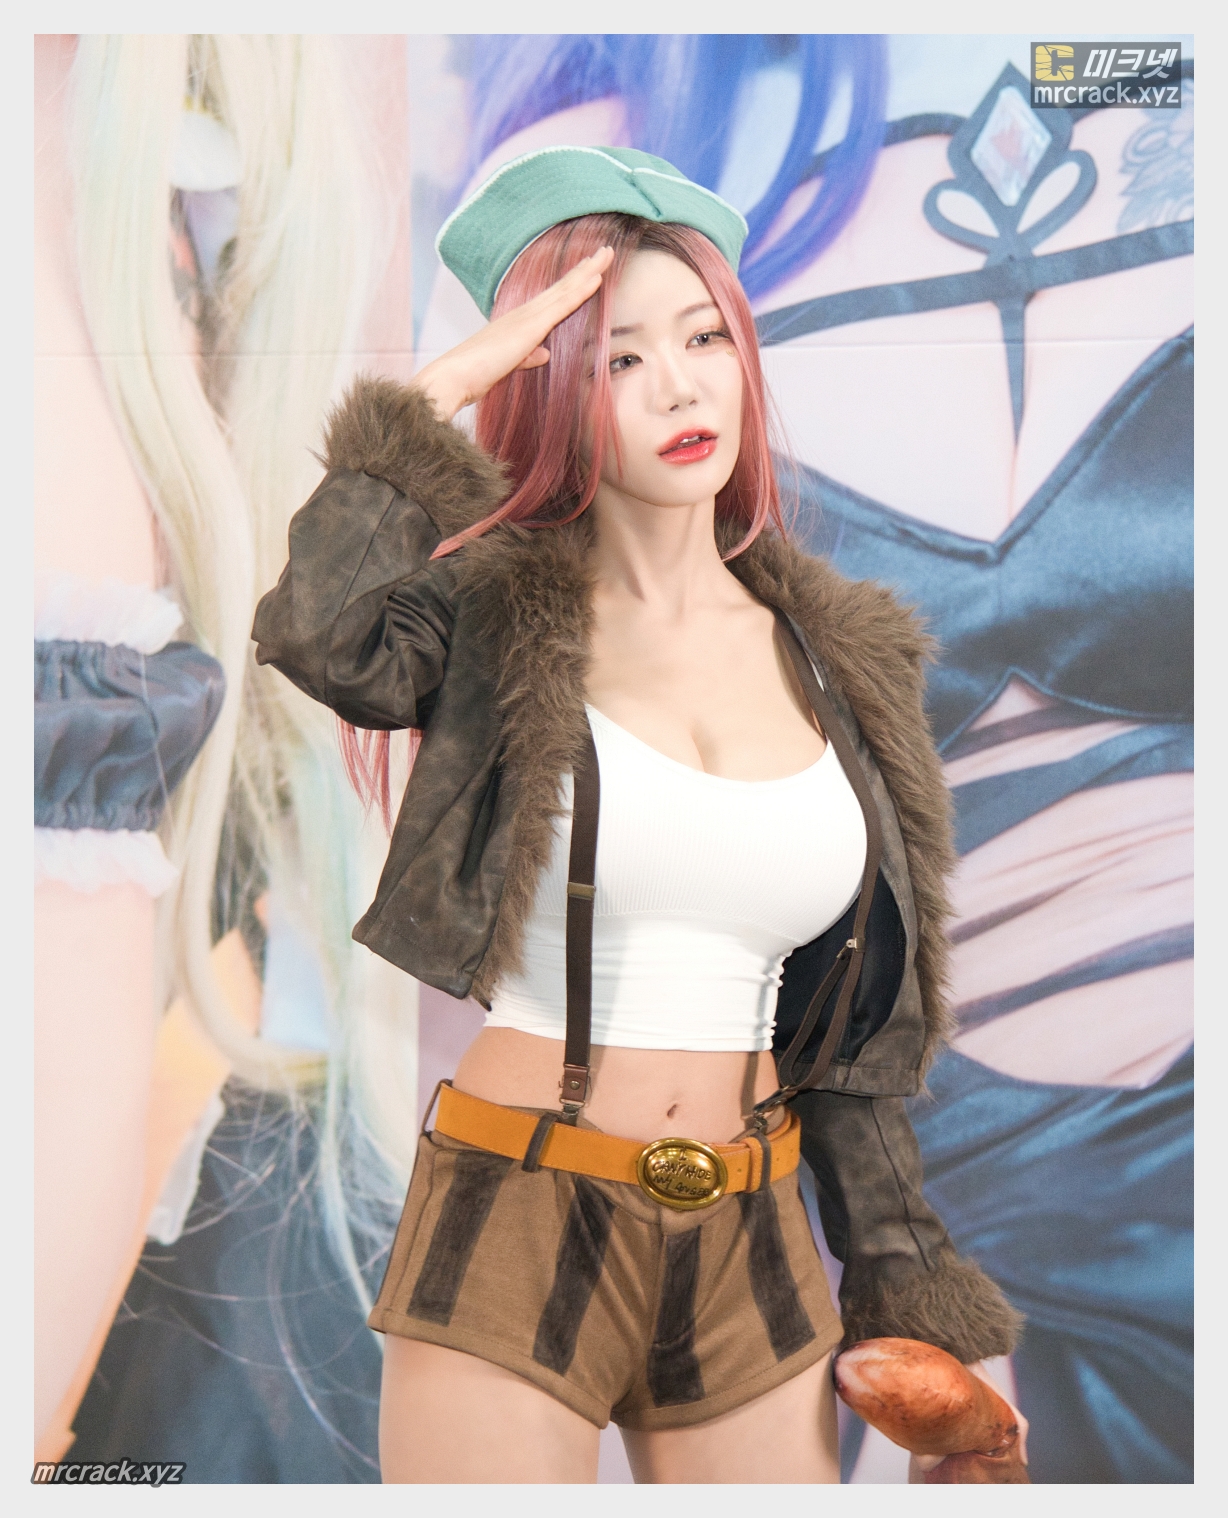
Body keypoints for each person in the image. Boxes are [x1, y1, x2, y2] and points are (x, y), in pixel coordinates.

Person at [253, 145, 1022, 1484]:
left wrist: (913, 1296)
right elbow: (319, 636)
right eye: (618, 356)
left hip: (752, 1226)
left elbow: (854, 1035)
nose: (679, 384)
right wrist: (433, 398)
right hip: (521, 1204)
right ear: (552, 387)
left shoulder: (847, 658)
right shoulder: (493, 615)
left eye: (705, 337)